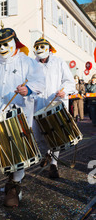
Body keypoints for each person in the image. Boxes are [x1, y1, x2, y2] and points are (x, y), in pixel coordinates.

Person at [0, 26, 45, 208]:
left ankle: (14, 185)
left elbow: (40, 82)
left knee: (18, 149)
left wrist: (28, 89)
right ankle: (10, 179)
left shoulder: (28, 62)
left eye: (5, 43)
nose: (2, 47)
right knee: (2, 149)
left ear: (14, 42)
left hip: (19, 113)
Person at [32, 37, 76, 178]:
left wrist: (64, 90)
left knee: (55, 133)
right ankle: (47, 153)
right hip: (38, 103)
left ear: (49, 50)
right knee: (38, 134)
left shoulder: (59, 62)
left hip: (55, 102)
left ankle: (53, 165)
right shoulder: (32, 64)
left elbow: (69, 81)